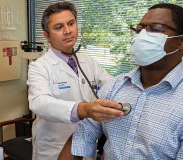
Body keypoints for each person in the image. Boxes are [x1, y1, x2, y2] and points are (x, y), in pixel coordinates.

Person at [58, 3, 183, 160]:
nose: (142, 37)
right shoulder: (115, 86)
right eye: (139, 30)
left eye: (155, 29)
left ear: (181, 41)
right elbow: (82, 136)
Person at [27, 2, 124, 160]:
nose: (67, 31)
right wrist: (83, 110)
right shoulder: (39, 67)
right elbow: (39, 102)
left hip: (86, 146)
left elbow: (113, 86)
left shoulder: (88, 62)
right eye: (58, 27)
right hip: (54, 147)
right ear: (47, 36)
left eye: (71, 24)